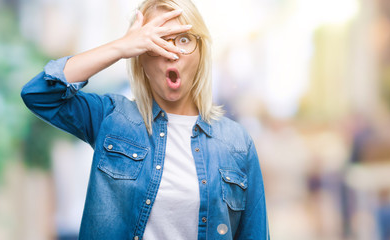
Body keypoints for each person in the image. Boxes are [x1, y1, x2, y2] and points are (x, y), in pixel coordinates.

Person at [21, 0, 269, 239]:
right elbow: (40, 94)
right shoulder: (112, 119)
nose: (171, 52)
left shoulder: (236, 142)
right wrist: (120, 47)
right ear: (140, 58)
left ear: (200, 53)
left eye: (183, 39)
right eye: (157, 40)